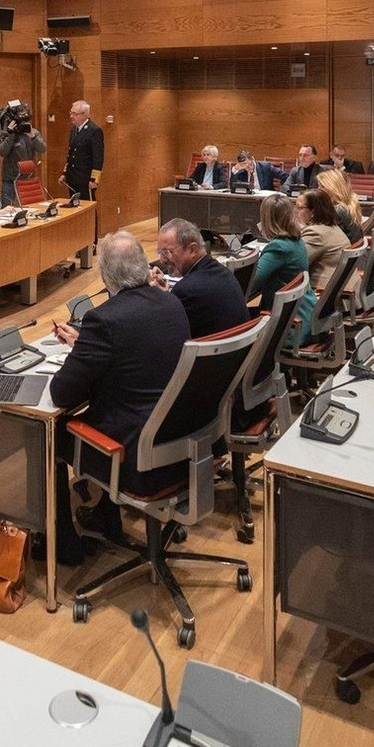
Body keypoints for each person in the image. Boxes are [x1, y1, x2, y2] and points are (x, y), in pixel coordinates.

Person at [50, 232, 190, 564]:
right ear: (144, 266)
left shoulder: (105, 319)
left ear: (107, 277)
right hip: (181, 440)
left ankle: (62, 544)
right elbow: (136, 350)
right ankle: (105, 514)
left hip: (135, 456)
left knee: (51, 432)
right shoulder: (172, 302)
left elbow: (62, 392)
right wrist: (85, 344)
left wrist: (84, 349)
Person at [152, 218, 251, 338]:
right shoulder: (223, 271)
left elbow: (163, 331)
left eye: (167, 252)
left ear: (192, 250)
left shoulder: (186, 290)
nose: (162, 259)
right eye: (160, 252)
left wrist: (161, 297)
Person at [249, 195, 316, 346]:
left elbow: (249, 284)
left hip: (290, 326)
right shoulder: (296, 241)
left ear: (267, 219)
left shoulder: (278, 247)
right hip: (304, 316)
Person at [296, 188, 349, 291]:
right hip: (341, 289)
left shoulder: (315, 233)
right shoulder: (332, 227)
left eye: (299, 208)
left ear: (313, 212)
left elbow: (296, 263)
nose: (296, 212)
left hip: (325, 293)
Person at [0, 101, 46, 207]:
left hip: (29, 178)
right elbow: (2, 152)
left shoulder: (34, 132)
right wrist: (11, 135)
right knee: (7, 209)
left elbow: (42, 149)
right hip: (10, 179)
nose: (22, 123)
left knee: (32, 208)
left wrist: (33, 137)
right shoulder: (7, 133)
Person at [63, 100, 104, 200]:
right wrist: (64, 173)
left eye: (74, 114)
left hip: (85, 179)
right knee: (75, 208)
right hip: (73, 178)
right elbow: (71, 154)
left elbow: (98, 157)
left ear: (84, 114)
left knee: (88, 209)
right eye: (71, 113)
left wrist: (94, 180)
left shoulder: (94, 130)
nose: (71, 116)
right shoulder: (74, 129)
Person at [314, 168, 364, 243]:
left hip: (342, 252)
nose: (318, 189)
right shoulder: (348, 205)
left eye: (322, 186)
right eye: (318, 186)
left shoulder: (338, 211)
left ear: (333, 188)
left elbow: (326, 239)